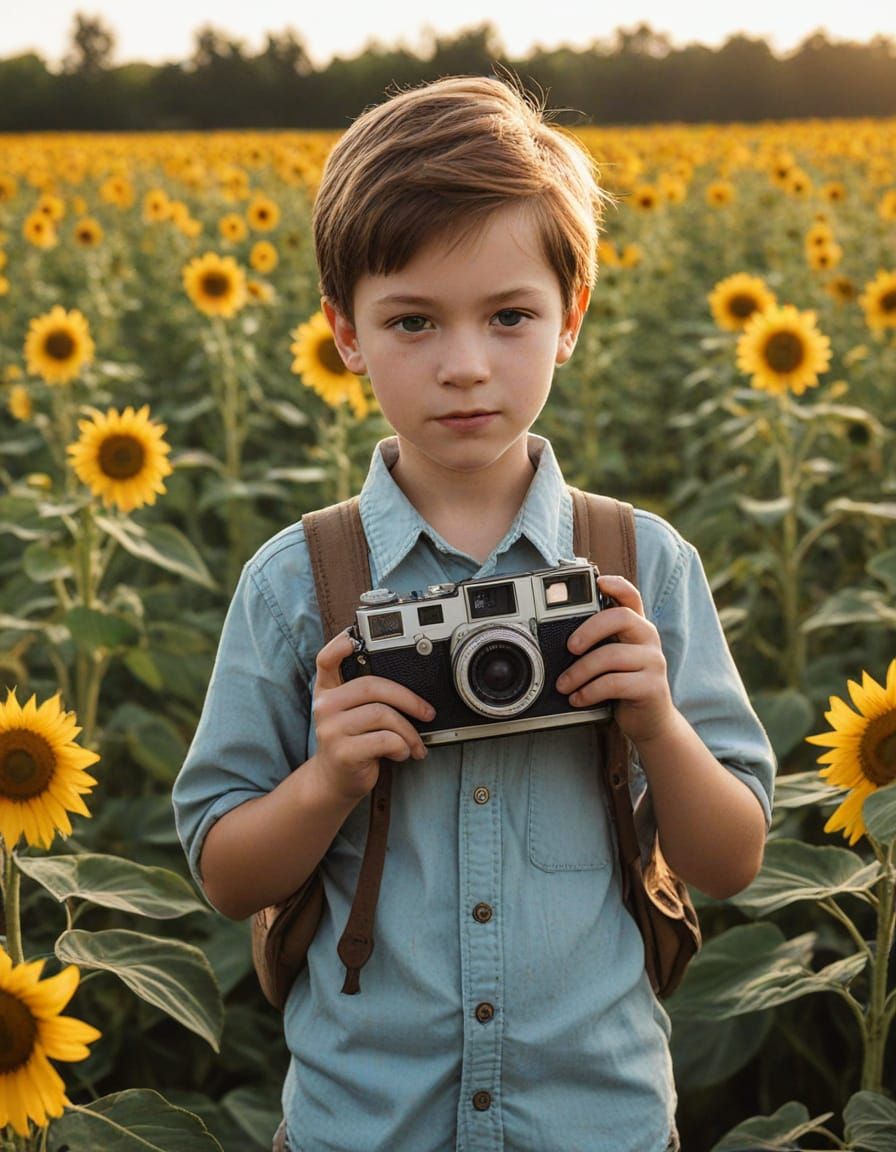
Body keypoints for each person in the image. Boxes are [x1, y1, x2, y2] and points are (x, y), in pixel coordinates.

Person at [172, 74, 775, 1152]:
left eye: (509, 317)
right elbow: (224, 873)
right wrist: (326, 781)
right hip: (367, 1125)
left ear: (570, 318)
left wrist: (655, 726)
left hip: (594, 1121)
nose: (463, 366)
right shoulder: (295, 586)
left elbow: (729, 861)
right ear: (343, 333)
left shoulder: (638, 567)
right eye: (411, 320)